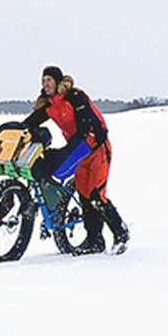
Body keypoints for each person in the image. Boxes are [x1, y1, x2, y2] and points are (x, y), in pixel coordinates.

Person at [23, 66, 129, 255]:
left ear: (57, 81)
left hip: (97, 148)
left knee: (97, 195)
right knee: (84, 196)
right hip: (79, 153)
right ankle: (94, 241)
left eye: (48, 80)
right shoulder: (49, 105)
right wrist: (12, 130)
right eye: (43, 81)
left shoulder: (75, 97)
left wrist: (66, 151)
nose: (45, 84)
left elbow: (85, 125)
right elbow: (31, 121)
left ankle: (121, 234)